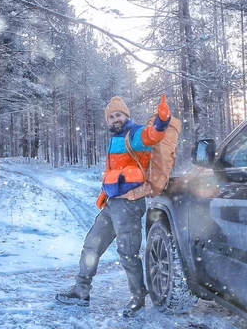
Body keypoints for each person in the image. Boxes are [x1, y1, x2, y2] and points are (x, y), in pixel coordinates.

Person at [56, 94, 171, 317]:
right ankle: (81, 291)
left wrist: (162, 119)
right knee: (92, 245)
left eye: (118, 115)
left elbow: (153, 134)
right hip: (113, 204)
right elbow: (113, 173)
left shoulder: (135, 133)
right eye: (110, 117)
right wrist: (104, 193)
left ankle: (138, 298)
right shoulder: (114, 139)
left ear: (126, 115)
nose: (114, 119)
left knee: (127, 253)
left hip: (129, 203)